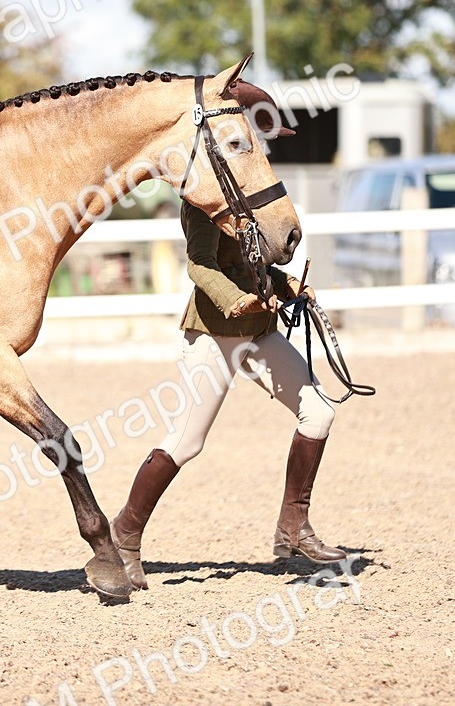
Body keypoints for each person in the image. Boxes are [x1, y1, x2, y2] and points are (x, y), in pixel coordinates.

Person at [110, 201, 343, 591]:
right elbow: (200, 264)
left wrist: (288, 286)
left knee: (319, 413)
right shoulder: (204, 203)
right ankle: (124, 534)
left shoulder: (257, 201)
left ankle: (293, 527)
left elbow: (257, 268)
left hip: (260, 330)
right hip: (214, 330)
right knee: (186, 442)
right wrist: (233, 299)